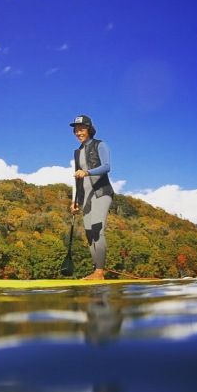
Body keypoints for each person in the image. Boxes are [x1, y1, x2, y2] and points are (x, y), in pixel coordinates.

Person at [69, 115, 115, 280]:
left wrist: (87, 172)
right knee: (89, 234)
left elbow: (107, 167)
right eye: (76, 129)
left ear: (89, 129)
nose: (78, 132)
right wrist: (75, 202)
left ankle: (99, 272)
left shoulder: (100, 144)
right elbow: (78, 178)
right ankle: (96, 271)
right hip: (86, 197)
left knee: (97, 230)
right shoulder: (77, 152)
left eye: (81, 128)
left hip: (101, 193)